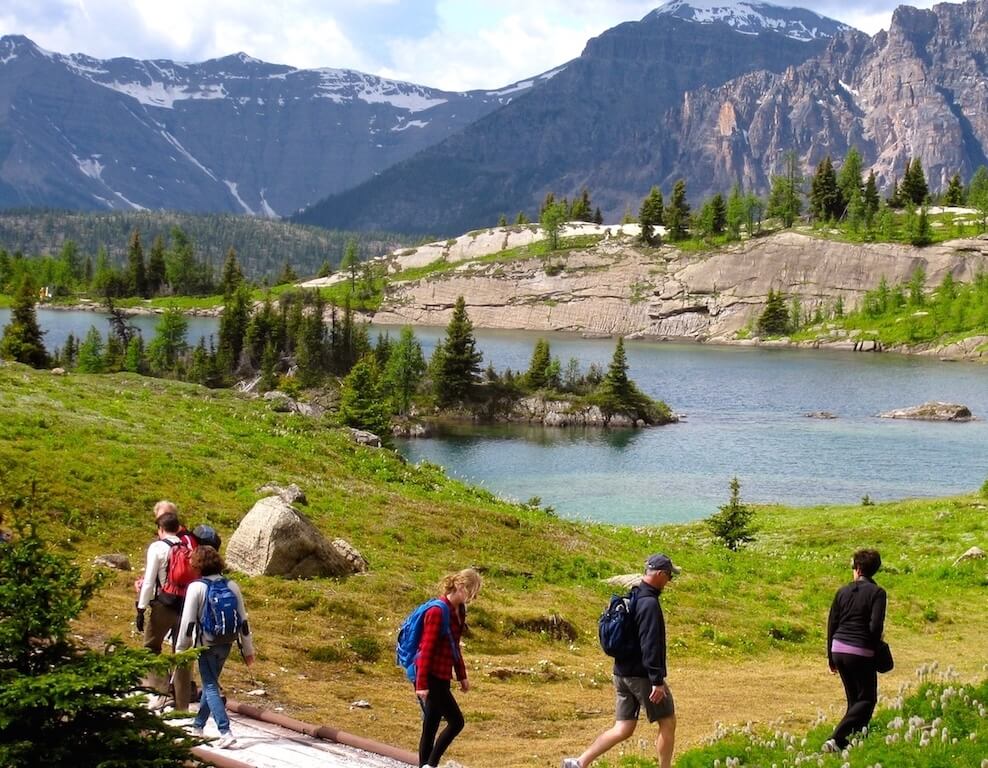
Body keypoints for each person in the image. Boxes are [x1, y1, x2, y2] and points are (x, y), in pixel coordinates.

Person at [562, 553, 681, 768]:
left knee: (623, 728)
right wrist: (657, 680)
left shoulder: (632, 596)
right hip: (642, 676)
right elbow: (650, 643)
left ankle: (578, 763)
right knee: (667, 722)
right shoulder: (649, 604)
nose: (669, 581)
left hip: (621, 674)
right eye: (669, 576)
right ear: (661, 575)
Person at [177, 545, 255, 750]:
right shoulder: (232, 585)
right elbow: (244, 622)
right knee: (210, 684)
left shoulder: (196, 587)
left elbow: (188, 623)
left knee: (210, 686)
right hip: (226, 643)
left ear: (197, 565)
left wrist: (180, 649)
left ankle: (225, 731)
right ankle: (197, 726)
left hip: (206, 645)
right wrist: (248, 650)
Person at [415, 568, 483, 768]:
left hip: (443, 675)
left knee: (430, 727)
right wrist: (421, 684)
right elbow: (426, 649)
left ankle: (426, 765)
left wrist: (462, 675)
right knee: (456, 722)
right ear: (461, 586)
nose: (471, 599)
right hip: (430, 677)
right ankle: (431, 765)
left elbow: (455, 645)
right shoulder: (437, 611)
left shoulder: (459, 611)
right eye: (471, 593)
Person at [822, 548, 887, 753]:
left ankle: (853, 740)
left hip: (838, 648)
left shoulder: (842, 591)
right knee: (868, 698)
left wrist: (830, 656)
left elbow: (832, 623)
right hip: (860, 651)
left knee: (855, 700)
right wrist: (875, 648)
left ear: (858, 569)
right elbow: (875, 626)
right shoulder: (877, 593)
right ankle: (835, 738)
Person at [136, 507, 194, 710]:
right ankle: (182, 705)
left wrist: (141, 608)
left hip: (164, 604)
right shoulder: (188, 547)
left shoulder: (158, 548)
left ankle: (161, 692)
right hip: (186, 606)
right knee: (182, 654)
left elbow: (150, 582)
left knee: (151, 648)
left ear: (161, 528)